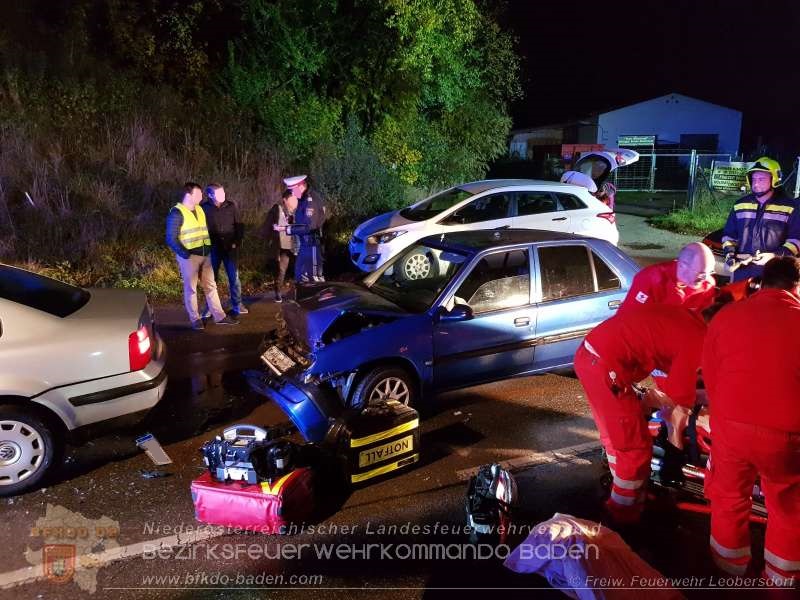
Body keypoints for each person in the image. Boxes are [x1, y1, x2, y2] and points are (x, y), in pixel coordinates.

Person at [701, 256, 800, 585]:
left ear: (762, 281)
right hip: (786, 435)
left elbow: (712, 375)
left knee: (728, 498)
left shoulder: (727, 316)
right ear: (796, 286)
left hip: (730, 427)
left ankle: (729, 575)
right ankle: (780, 582)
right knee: (787, 507)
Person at [573, 303, 708, 524]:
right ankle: (622, 517)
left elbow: (670, 374)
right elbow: (677, 406)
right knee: (634, 449)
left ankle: (624, 492)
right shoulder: (698, 343)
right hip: (606, 368)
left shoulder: (691, 323)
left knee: (615, 440)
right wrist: (675, 453)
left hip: (593, 357)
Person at [165, 182, 238, 330]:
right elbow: (170, 238)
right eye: (198, 194)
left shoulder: (199, 209)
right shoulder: (177, 212)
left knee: (211, 286)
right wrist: (185, 254)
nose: (201, 196)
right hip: (190, 257)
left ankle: (220, 316)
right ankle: (195, 319)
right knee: (191, 289)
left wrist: (209, 248)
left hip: (206, 255)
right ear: (188, 195)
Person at [721, 157, 800, 281]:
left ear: (775, 179)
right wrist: (730, 256)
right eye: (754, 179)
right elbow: (729, 236)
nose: (756, 183)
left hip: (775, 273)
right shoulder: (740, 205)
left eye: (761, 179)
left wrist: (774, 256)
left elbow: (796, 240)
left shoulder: (789, 207)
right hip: (742, 272)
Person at [619, 242, 716, 314]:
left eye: (710, 272)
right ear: (683, 266)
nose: (705, 278)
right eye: (701, 273)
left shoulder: (707, 286)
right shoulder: (650, 279)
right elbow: (629, 317)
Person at [200, 183, 248, 316]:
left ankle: (237, 303)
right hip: (213, 249)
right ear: (210, 195)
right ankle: (210, 307)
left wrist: (237, 242)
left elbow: (239, 225)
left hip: (230, 248)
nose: (223, 195)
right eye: (219, 193)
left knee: (234, 277)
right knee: (211, 279)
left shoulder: (231, 206)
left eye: (223, 192)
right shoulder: (204, 208)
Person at [278, 174, 326, 284]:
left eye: (293, 191)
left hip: (311, 244)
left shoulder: (310, 200)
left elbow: (308, 227)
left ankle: (317, 300)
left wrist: (286, 229)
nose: (293, 194)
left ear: (300, 187)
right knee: (300, 275)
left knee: (313, 278)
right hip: (305, 245)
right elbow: (302, 222)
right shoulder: (302, 199)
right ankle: (303, 299)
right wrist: (292, 222)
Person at [265, 189, 299, 302]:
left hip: (294, 244)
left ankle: (297, 292)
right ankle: (278, 293)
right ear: (285, 199)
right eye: (291, 198)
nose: (294, 201)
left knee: (297, 269)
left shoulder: (296, 210)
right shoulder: (277, 209)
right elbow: (269, 224)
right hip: (282, 245)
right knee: (281, 270)